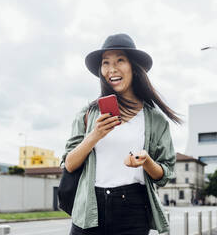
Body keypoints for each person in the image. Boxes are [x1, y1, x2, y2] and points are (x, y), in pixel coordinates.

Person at [61, 33, 182, 235]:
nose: (112, 69)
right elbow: (69, 164)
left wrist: (146, 161)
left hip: (133, 209)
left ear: (133, 67)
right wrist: (94, 135)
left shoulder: (155, 120)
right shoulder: (88, 114)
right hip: (90, 209)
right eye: (106, 62)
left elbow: (165, 174)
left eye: (120, 60)